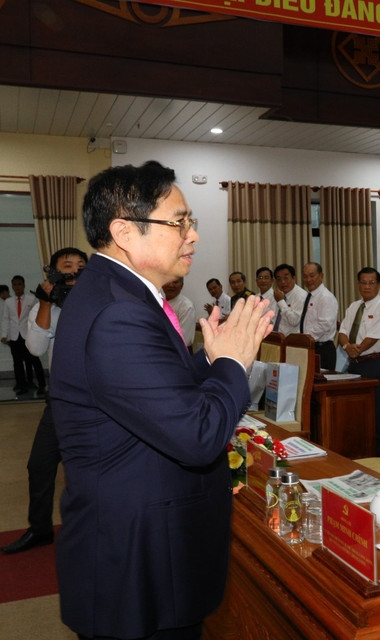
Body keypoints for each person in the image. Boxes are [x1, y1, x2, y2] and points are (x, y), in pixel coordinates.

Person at [50, 160, 274, 640]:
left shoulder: (117, 293)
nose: (192, 235)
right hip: (138, 563)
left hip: (144, 547)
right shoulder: (119, 312)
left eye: (191, 222)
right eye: (178, 223)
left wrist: (209, 360)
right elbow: (197, 436)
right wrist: (233, 363)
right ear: (124, 232)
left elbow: (152, 391)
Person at [1, 248, 87, 556]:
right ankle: (39, 530)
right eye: (67, 266)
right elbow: (36, 348)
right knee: (39, 465)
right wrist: (47, 302)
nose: (74, 271)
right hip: (60, 402)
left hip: (94, 405)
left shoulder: (97, 302)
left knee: (85, 472)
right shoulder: (44, 305)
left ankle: (92, 532)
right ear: (51, 273)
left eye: (81, 266)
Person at [338, 267, 380, 455]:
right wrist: (347, 347)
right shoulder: (354, 306)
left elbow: (374, 337)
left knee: (376, 412)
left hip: (374, 364)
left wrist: (357, 350)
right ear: (358, 285)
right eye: (363, 282)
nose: (367, 286)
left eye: (371, 283)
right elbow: (343, 332)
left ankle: (379, 454)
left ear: (378, 286)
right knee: (357, 410)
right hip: (355, 364)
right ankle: (359, 451)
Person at [2, 274, 44, 395]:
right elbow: (6, 319)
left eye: (19, 284)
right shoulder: (8, 302)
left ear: (24, 285)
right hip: (14, 336)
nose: (17, 287)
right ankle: (21, 386)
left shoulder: (31, 299)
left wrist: (37, 333)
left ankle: (42, 385)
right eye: (15, 285)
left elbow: (36, 316)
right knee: (17, 363)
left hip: (28, 335)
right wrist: (4, 335)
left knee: (34, 361)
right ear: (12, 287)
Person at [300, 261, 338, 370]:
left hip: (322, 350)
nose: (308, 280)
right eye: (305, 276)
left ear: (321, 276)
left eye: (312, 276)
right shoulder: (310, 296)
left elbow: (324, 324)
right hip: (310, 347)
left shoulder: (325, 297)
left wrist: (305, 339)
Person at [273, 263, 307, 336]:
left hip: (293, 340)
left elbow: (294, 321)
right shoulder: (280, 294)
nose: (283, 282)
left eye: (286, 278)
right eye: (279, 279)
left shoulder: (301, 296)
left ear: (294, 278)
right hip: (278, 338)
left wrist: (281, 302)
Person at [162, 276, 197, 347]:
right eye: (168, 281)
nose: (171, 285)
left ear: (181, 286)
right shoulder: (159, 302)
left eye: (175, 282)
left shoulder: (186, 306)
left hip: (179, 350)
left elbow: (183, 339)